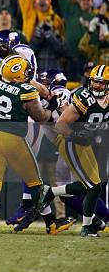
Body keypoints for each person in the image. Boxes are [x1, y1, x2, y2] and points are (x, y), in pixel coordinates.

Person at [0, 55, 52, 234]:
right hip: (13, 139)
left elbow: (8, 80)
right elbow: (40, 117)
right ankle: (51, 223)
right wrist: (53, 109)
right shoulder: (25, 91)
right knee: (35, 183)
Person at [42, 65, 109, 237]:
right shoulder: (84, 97)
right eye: (95, 82)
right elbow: (60, 125)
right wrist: (76, 137)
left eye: (101, 84)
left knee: (93, 186)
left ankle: (51, 192)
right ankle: (87, 227)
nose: (97, 86)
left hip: (85, 143)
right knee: (93, 187)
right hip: (70, 142)